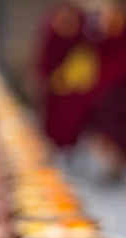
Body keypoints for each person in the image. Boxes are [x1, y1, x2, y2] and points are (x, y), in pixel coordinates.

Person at [35, 0, 126, 177]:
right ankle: (63, 152)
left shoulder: (98, 23)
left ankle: (113, 160)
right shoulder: (57, 20)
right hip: (66, 81)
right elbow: (49, 56)